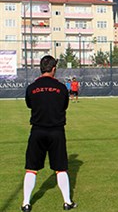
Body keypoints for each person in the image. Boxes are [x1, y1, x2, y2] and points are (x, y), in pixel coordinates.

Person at [22, 56, 77, 212]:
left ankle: (26, 203)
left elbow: (29, 104)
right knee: (61, 168)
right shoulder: (61, 88)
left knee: (31, 168)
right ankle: (67, 202)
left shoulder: (32, 87)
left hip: (37, 131)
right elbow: (64, 106)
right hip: (56, 132)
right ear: (53, 68)